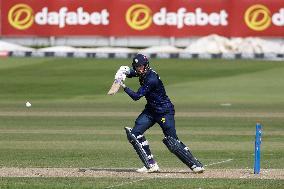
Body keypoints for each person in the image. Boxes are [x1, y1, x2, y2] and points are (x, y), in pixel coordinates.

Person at [115, 54, 204, 173]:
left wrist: (122, 85)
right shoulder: (142, 72)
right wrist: (124, 71)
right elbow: (133, 73)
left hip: (164, 111)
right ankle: (151, 164)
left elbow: (136, 96)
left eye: (141, 66)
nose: (139, 69)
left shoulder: (151, 79)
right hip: (150, 111)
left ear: (146, 66)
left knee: (172, 141)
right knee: (134, 134)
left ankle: (195, 164)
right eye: (136, 67)